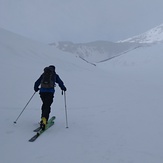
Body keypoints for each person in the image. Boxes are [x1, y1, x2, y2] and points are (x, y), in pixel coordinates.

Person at [34, 65, 67, 130]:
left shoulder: (43, 74)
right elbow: (60, 82)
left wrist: (36, 88)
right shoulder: (54, 75)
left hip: (42, 92)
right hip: (50, 92)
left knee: (44, 104)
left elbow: (37, 82)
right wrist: (63, 88)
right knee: (47, 105)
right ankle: (44, 120)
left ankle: (43, 118)